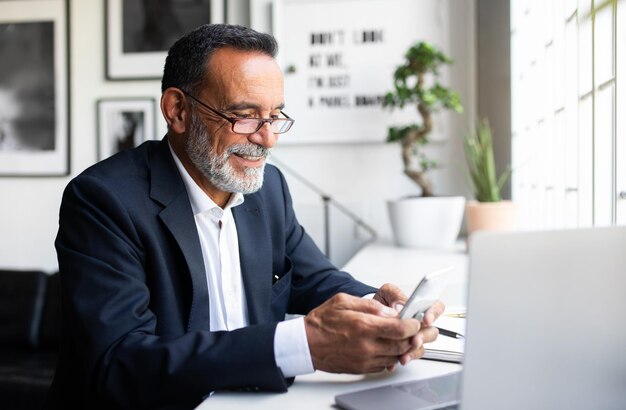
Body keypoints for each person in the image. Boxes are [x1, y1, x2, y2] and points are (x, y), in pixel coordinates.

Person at [45, 24, 444, 410]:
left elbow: (315, 278)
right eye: (245, 115)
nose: (267, 138)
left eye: (274, 116)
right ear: (177, 110)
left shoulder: (267, 188)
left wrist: (382, 308)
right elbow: (120, 363)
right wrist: (302, 345)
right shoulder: (102, 200)